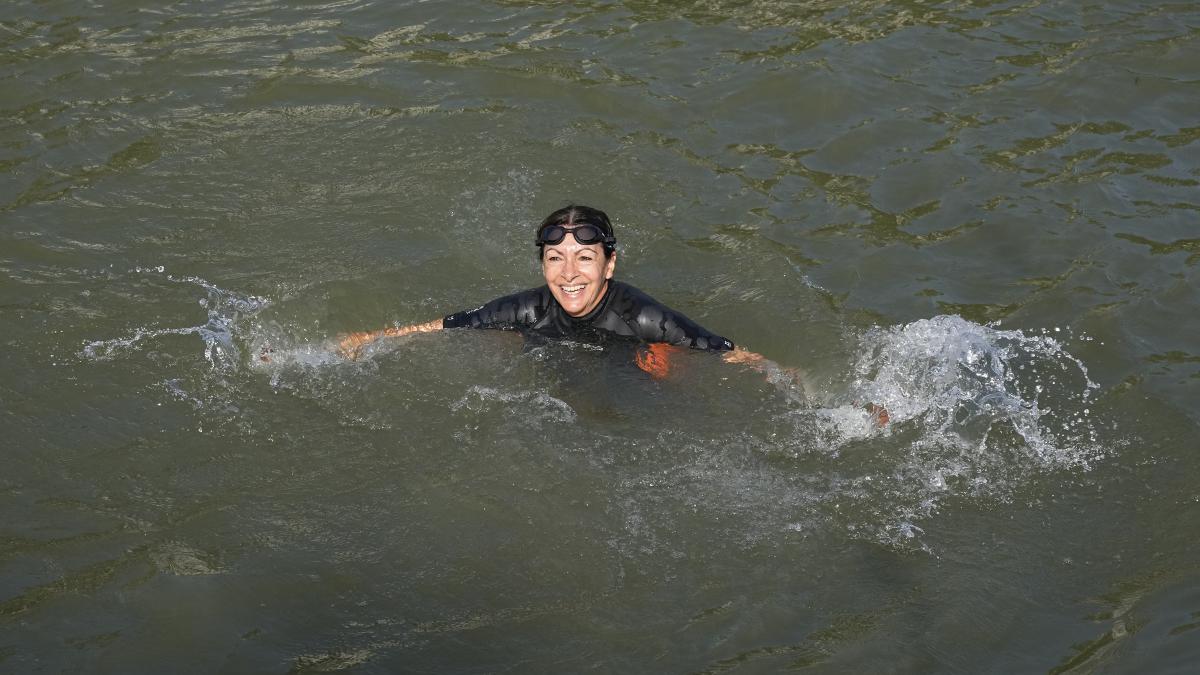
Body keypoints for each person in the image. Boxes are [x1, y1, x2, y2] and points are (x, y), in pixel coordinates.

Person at [335, 205, 887, 424]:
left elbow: (733, 354)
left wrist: (811, 391)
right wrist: (368, 339)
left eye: (584, 257)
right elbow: (443, 326)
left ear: (609, 264)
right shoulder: (529, 306)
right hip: (553, 347)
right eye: (555, 258)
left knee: (660, 370)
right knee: (496, 336)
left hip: (632, 353)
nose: (568, 273)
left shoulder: (644, 315)